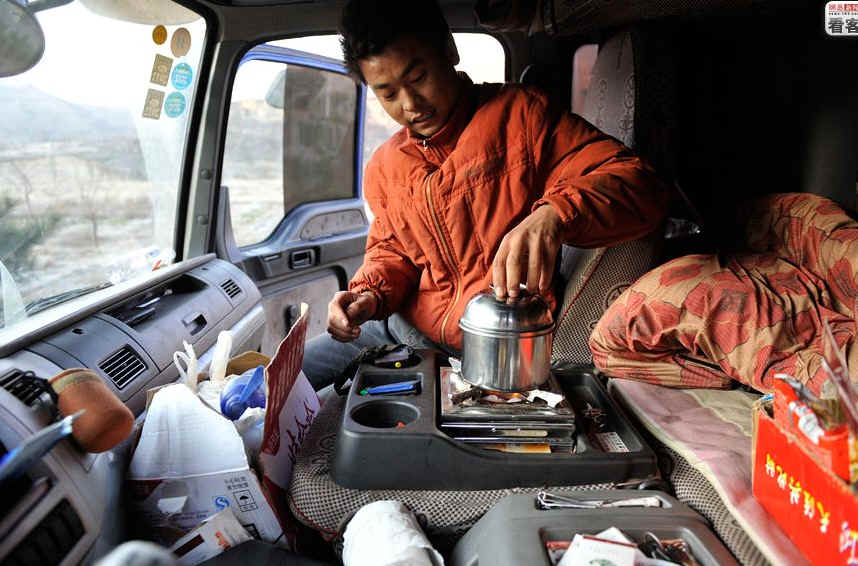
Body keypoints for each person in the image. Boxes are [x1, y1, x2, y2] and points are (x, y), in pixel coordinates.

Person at [302, 0, 669, 389]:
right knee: (285, 382)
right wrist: (368, 296)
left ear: (449, 50)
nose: (410, 105)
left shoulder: (523, 117)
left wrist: (555, 215)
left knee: (327, 407)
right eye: (388, 93)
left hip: (489, 344)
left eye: (419, 77)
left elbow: (639, 184)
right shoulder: (385, 165)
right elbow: (392, 251)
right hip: (399, 328)